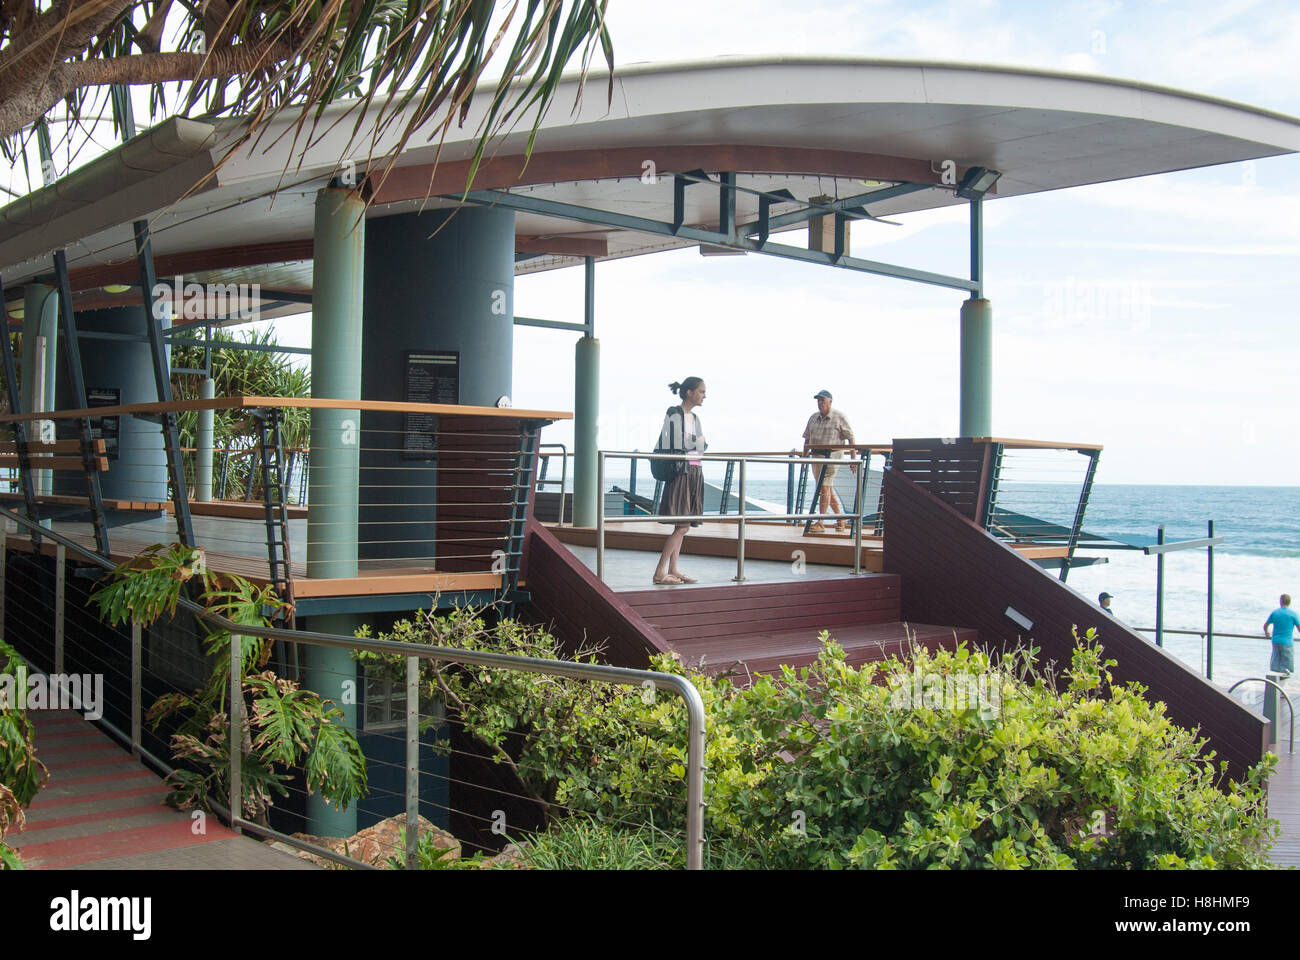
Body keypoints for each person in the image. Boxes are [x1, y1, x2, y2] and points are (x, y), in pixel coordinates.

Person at [653, 377, 707, 585]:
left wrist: (692, 441)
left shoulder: (695, 418)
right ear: (689, 392)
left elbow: (703, 446)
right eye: (701, 391)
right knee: (682, 526)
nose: (704, 396)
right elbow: (677, 442)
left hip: (695, 472)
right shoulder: (674, 412)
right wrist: (695, 442)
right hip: (681, 472)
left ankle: (673, 569)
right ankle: (660, 572)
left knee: (684, 526)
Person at [802, 389, 857, 533]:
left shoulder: (839, 417)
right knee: (826, 489)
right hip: (816, 458)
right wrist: (803, 458)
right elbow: (807, 439)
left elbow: (851, 438)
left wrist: (853, 459)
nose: (820, 403)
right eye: (818, 401)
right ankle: (841, 518)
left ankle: (820, 521)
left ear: (830, 402)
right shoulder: (813, 417)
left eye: (822, 400)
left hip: (832, 457)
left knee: (825, 487)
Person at [1264, 594, 1300, 677]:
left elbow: (1265, 626)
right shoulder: (1293, 614)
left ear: (1280, 601)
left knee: (1276, 663)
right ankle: (1282, 684)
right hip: (1287, 642)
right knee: (1286, 666)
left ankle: (1275, 682)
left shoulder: (1275, 613)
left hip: (1275, 640)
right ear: (1289, 602)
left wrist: (1267, 633)